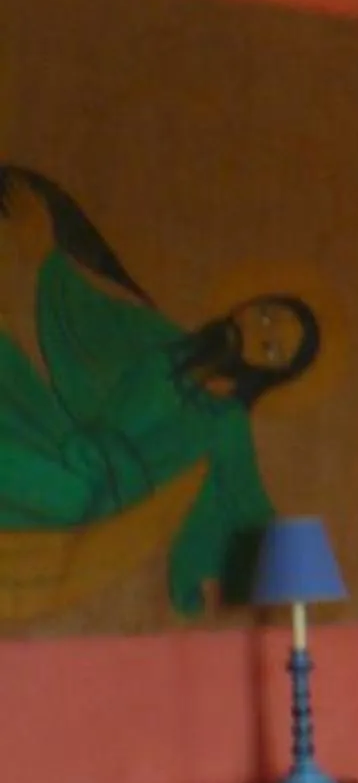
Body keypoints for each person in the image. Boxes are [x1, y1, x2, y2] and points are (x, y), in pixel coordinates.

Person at [0, 164, 320, 615]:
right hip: (66, 442)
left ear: (265, 370)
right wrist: (47, 252)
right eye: (266, 315)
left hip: (91, 491)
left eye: (271, 347)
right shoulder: (164, 341)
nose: (257, 330)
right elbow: (89, 316)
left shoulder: (224, 419)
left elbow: (245, 499)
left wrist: (291, 569)